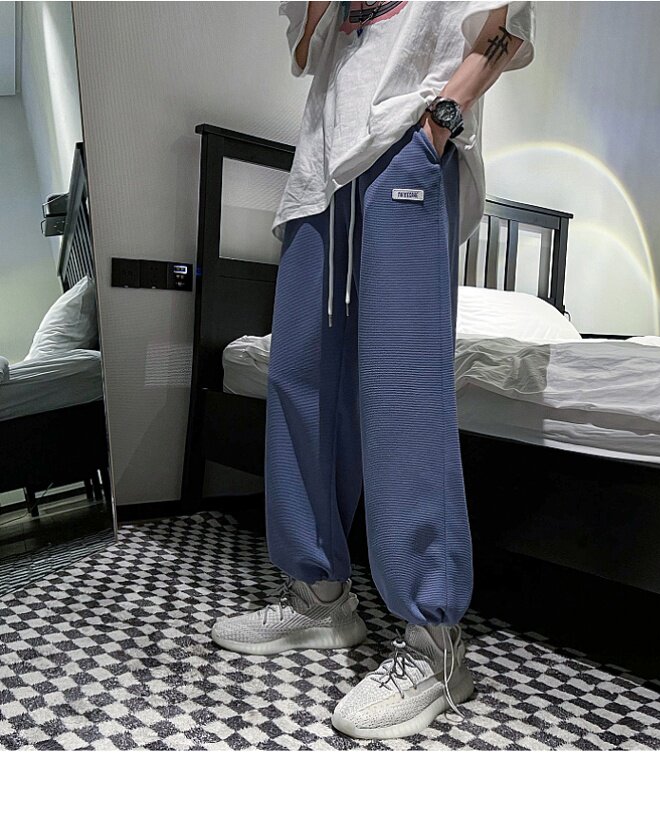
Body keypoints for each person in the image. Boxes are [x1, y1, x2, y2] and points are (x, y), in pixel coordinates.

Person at [213, 0, 536, 740]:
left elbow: (508, 23)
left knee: (401, 391)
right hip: (319, 169)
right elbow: (305, 52)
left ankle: (436, 645)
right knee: (297, 379)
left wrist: (440, 123)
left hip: (407, 142)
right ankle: (320, 599)